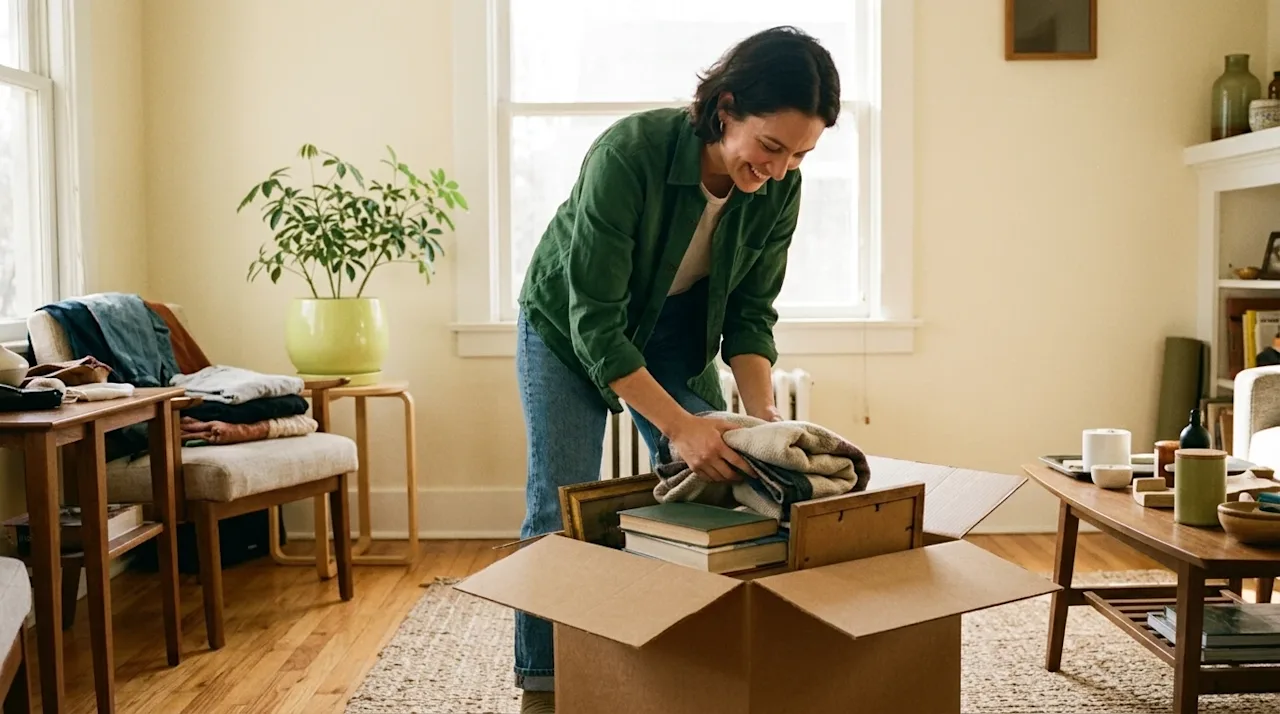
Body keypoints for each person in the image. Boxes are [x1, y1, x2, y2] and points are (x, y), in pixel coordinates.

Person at [511, 25, 841, 714]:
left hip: (674, 330)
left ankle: (688, 674)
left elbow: (752, 313)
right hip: (567, 329)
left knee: (720, 481)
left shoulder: (781, 186)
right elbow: (594, 324)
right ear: (724, 109)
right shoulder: (629, 152)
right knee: (557, 507)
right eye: (771, 146)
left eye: (801, 154)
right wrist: (681, 425)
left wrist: (760, 417)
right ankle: (547, 691)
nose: (779, 169)